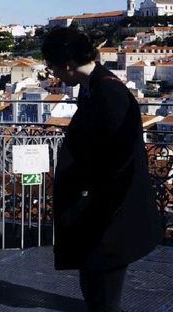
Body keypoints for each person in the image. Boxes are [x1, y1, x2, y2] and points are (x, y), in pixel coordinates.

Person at [42, 27, 163, 312]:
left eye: (52, 67)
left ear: (68, 65)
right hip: (99, 211)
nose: (53, 74)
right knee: (93, 286)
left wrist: (94, 201)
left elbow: (120, 159)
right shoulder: (94, 86)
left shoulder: (109, 93)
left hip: (109, 215)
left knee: (103, 295)